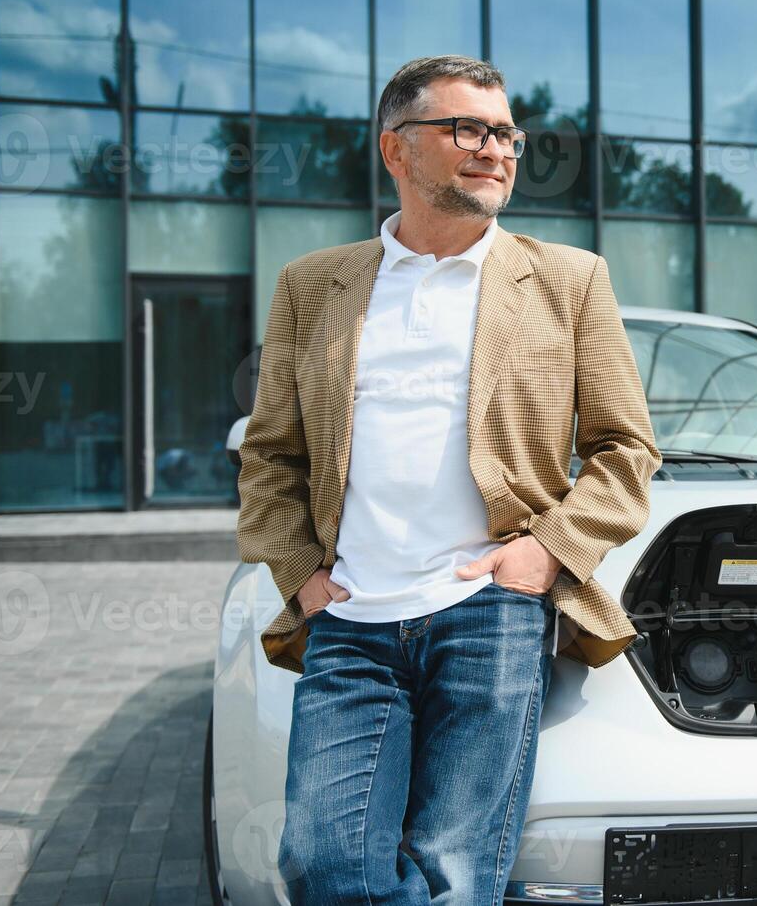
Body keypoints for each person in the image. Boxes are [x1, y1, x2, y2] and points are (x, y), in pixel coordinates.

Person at [235, 54, 661, 905]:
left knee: (454, 872)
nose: (495, 149)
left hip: (489, 613)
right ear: (396, 150)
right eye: (467, 128)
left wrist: (545, 555)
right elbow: (271, 453)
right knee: (324, 865)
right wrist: (301, 577)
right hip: (350, 617)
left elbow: (626, 449)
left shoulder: (568, 280)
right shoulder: (312, 286)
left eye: (505, 132)